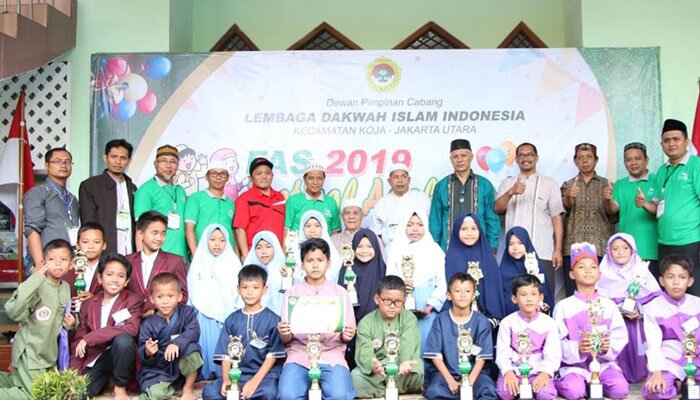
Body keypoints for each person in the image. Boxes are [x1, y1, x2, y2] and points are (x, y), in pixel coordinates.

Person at [277, 238, 356, 400]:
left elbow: (347, 333)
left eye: (320, 260)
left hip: (332, 354)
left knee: (340, 394)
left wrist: (346, 335)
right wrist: (284, 333)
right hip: (299, 354)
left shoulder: (340, 293)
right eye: (309, 261)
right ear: (301, 264)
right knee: (288, 395)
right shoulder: (292, 293)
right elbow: (287, 338)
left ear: (329, 263)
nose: (314, 265)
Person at [553, 243, 628, 400]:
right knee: (574, 392)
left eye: (593, 267)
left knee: (619, 390)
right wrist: (578, 348)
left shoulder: (608, 305)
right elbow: (556, 342)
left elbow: (620, 335)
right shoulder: (563, 306)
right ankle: (573, 383)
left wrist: (608, 348)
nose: (588, 270)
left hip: (604, 365)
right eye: (581, 267)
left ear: (599, 274)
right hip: (575, 367)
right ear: (572, 274)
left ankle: (593, 384)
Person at [0, 239, 73, 399]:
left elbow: (63, 316)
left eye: (63, 259)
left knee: (47, 393)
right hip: (31, 353)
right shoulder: (37, 285)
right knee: (34, 396)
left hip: (49, 354)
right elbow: (12, 311)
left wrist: (73, 323)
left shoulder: (66, 288)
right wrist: (34, 279)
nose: (58, 264)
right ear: (44, 262)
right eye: (52, 259)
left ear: (71, 264)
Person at [201, 264, 286, 400]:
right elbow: (225, 355)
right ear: (238, 289)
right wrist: (227, 380)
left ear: (264, 289)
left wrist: (254, 382)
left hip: (263, 376)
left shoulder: (273, 319)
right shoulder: (232, 320)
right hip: (237, 374)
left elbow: (273, 356)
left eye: (255, 288)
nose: (249, 292)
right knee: (210, 392)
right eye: (245, 287)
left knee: (269, 393)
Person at [494, 142, 564, 298]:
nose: (526, 158)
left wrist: (558, 249)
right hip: (514, 254)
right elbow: (498, 208)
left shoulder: (549, 184)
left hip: (542, 251)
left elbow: (557, 218)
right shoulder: (507, 183)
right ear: (516, 159)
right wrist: (511, 192)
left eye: (530, 155)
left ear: (536, 158)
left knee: (543, 298)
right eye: (521, 155)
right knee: (512, 298)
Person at [69, 252, 142, 400]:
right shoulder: (88, 304)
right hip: (95, 358)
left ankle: (120, 388)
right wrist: (73, 373)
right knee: (80, 394)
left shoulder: (133, 301)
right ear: (99, 278)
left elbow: (131, 328)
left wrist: (90, 338)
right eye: (109, 274)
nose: (115, 280)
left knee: (124, 340)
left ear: (127, 281)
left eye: (121, 276)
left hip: (121, 356)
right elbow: (78, 340)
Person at [596, 233, 660, 383]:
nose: (620, 252)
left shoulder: (641, 271)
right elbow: (596, 302)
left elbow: (655, 302)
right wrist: (618, 311)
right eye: (615, 248)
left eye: (625, 248)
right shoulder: (602, 273)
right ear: (608, 252)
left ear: (633, 251)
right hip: (611, 324)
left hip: (636, 323)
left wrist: (640, 311)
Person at [645, 119, 700, 294]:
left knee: (693, 292)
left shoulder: (696, 166)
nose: (671, 143)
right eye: (667, 140)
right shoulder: (662, 170)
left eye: (676, 139)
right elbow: (657, 208)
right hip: (664, 242)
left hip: (690, 241)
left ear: (687, 141)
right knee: (668, 294)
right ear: (662, 144)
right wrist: (643, 204)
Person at [423, 272, 497, 400]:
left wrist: (470, 381)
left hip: (475, 374)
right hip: (445, 374)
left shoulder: (481, 321)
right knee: (434, 390)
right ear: (448, 295)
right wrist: (450, 380)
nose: (463, 295)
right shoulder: (440, 320)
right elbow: (435, 355)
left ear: (474, 295)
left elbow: (482, 358)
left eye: (468, 291)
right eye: (457, 291)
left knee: (487, 389)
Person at [351, 275, 423, 398]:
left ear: (404, 301)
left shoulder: (409, 318)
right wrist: (373, 364)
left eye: (398, 302)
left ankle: (381, 391)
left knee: (417, 371)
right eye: (387, 301)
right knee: (356, 377)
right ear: (377, 299)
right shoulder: (366, 322)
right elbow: (364, 350)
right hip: (378, 371)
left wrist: (404, 361)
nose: (392, 306)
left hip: (401, 367)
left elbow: (408, 343)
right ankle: (397, 390)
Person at [560, 143, 616, 296]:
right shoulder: (567, 185)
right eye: (580, 158)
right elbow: (566, 208)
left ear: (596, 160)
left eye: (589, 157)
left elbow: (613, 214)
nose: (585, 161)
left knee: (600, 293)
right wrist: (570, 196)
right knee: (573, 294)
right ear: (575, 161)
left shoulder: (607, 184)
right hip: (573, 246)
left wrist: (608, 200)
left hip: (599, 245)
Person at [187, 224, 241, 380]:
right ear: (205, 241)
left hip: (228, 316)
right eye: (212, 239)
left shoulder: (234, 264)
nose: (217, 244)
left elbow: (239, 291)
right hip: (204, 317)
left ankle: (225, 377)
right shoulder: (198, 264)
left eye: (222, 240)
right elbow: (192, 293)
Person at [642, 253, 700, 399]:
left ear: (690, 281)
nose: (676, 282)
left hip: (697, 360)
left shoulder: (697, 304)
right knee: (654, 391)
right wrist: (656, 372)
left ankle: (689, 382)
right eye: (670, 277)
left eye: (682, 277)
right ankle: (676, 385)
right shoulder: (653, 308)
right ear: (661, 280)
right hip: (669, 361)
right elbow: (653, 343)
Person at [387, 209, 446, 350]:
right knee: (404, 345)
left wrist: (431, 304)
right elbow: (389, 279)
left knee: (427, 344)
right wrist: (400, 285)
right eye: (410, 224)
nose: (415, 229)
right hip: (401, 302)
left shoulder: (434, 250)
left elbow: (443, 281)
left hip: (427, 305)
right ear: (403, 226)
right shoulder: (396, 249)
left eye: (420, 224)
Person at [138, 272, 202, 400]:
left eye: (170, 296)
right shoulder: (148, 324)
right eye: (160, 297)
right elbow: (142, 352)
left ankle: (187, 389)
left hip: (181, 367)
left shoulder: (187, 313)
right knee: (156, 395)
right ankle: (167, 388)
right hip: (159, 371)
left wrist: (177, 343)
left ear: (179, 296)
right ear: (152, 298)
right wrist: (149, 352)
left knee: (193, 349)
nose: (165, 301)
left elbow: (194, 331)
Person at [496, 274, 561, 400]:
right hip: (515, 370)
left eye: (533, 294)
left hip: (538, 371)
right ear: (514, 298)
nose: (529, 299)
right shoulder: (507, 322)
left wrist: (545, 373)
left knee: (545, 394)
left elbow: (553, 353)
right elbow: (502, 353)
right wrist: (508, 371)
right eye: (523, 295)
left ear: (540, 297)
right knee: (505, 392)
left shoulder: (549, 323)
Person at [429, 139, 500, 251]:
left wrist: (492, 248)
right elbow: (435, 222)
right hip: (448, 250)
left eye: (463, 155)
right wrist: (434, 250)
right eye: (455, 156)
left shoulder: (484, 185)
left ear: (471, 157)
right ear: (451, 159)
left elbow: (492, 219)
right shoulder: (441, 186)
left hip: (479, 250)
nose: (459, 160)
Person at [604, 142, 659, 275]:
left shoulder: (657, 180)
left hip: (653, 250)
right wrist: (607, 199)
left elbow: (661, 210)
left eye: (637, 158)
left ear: (647, 160)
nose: (633, 163)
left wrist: (645, 203)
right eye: (628, 160)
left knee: (653, 293)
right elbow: (612, 210)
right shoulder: (619, 184)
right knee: (630, 294)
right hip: (626, 252)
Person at [23, 147, 80, 268]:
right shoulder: (38, 193)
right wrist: (40, 264)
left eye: (68, 162)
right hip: (48, 263)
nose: (63, 165)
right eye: (57, 161)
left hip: (70, 263)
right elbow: (32, 230)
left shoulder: (72, 199)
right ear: (47, 166)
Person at [444, 213, 505, 325]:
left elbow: (494, 290)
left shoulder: (487, 257)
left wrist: (491, 319)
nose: (469, 233)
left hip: (486, 318)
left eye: (473, 228)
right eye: (464, 229)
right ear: (457, 231)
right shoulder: (451, 257)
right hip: (455, 317)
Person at [79, 139, 137, 255]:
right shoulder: (90, 185)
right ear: (105, 158)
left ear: (129, 161)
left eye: (123, 158)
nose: (118, 162)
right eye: (114, 157)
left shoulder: (132, 187)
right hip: (105, 252)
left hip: (130, 251)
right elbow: (88, 222)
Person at [126, 211, 188, 316]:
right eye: (154, 233)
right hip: (132, 321)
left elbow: (183, 296)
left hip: (161, 323)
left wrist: (157, 311)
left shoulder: (175, 262)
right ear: (141, 234)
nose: (159, 238)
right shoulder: (127, 261)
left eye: (163, 233)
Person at [133, 144, 188, 260]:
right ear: (155, 164)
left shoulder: (180, 190)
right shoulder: (146, 190)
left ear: (178, 165)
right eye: (163, 161)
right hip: (156, 258)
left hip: (180, 256)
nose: (168, 166)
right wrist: (140, 261)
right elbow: (140, 228)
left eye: (173, 161)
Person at [372, 163, 430, 254]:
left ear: (409, 180)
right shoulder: (381, 204)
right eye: (396, 177)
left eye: (403, 177)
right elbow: (376, 233)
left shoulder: (422, 199)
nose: (400, 180)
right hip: (390, 251)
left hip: (419, 250)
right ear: (389, 181)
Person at [234, 157, 286, 259]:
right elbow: (240, 230)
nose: (264, 176)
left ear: (272, 176)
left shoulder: (280, 197)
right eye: (258, 173)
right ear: (251, 178)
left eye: (267, 173)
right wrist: (246, 256)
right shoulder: (244, 199)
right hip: (254, 255)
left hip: (277, 255)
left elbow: (284, 227)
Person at [184, 160, 236, 256]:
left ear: (228, 178)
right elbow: (189, 228)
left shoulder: (231, 203)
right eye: (213, 173)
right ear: (206, 177)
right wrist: (196, 256)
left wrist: (235, 257)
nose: (218, 177)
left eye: (222, 174)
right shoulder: (195, 198)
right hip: (202, 255)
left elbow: (233, 233)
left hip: (226, 257)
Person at [499, 227, 554, 316]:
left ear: (527, 244)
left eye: (520, 243)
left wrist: (533, 273)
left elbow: (545, 296)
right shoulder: (502, 271)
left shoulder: (537, 267)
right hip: (509, 319)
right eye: (511, 244)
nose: (515, 248)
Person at [338, 228, 387, 322]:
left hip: (378, 323)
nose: (364, 251)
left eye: (369, 246)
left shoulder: (383, 270)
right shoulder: (347, 269)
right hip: (351, 323)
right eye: (359, 247)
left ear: (376, 247)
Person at [284, 162, 341, 237]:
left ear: (324, 180)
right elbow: (286, 229)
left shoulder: (331, 202)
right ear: (304, 179)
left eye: (319, 178)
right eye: (311, 178)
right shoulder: (293, 200)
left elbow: (335, 232)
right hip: (298, 247)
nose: (315, 182)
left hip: (324, 248)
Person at [63, 223, 107, 310]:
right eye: (85, 242)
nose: (90, 246)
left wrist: (95, 298)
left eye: (96, 242)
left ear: (104, 245)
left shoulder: (109, 269)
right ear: (77, 245)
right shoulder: (68, 268)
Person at [293, 210, 342, 284]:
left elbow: (334, 272)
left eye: (317, 226)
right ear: (302, 229)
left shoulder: (331, 251)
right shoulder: (294, 250)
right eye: (308, 226)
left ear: (323, 228)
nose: (312, 230)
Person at [243, 231, 285, 315]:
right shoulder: (248, 272)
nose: (263, 251)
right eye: (258, 248)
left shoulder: (283, 271)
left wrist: (289, 277)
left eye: (268, 247)